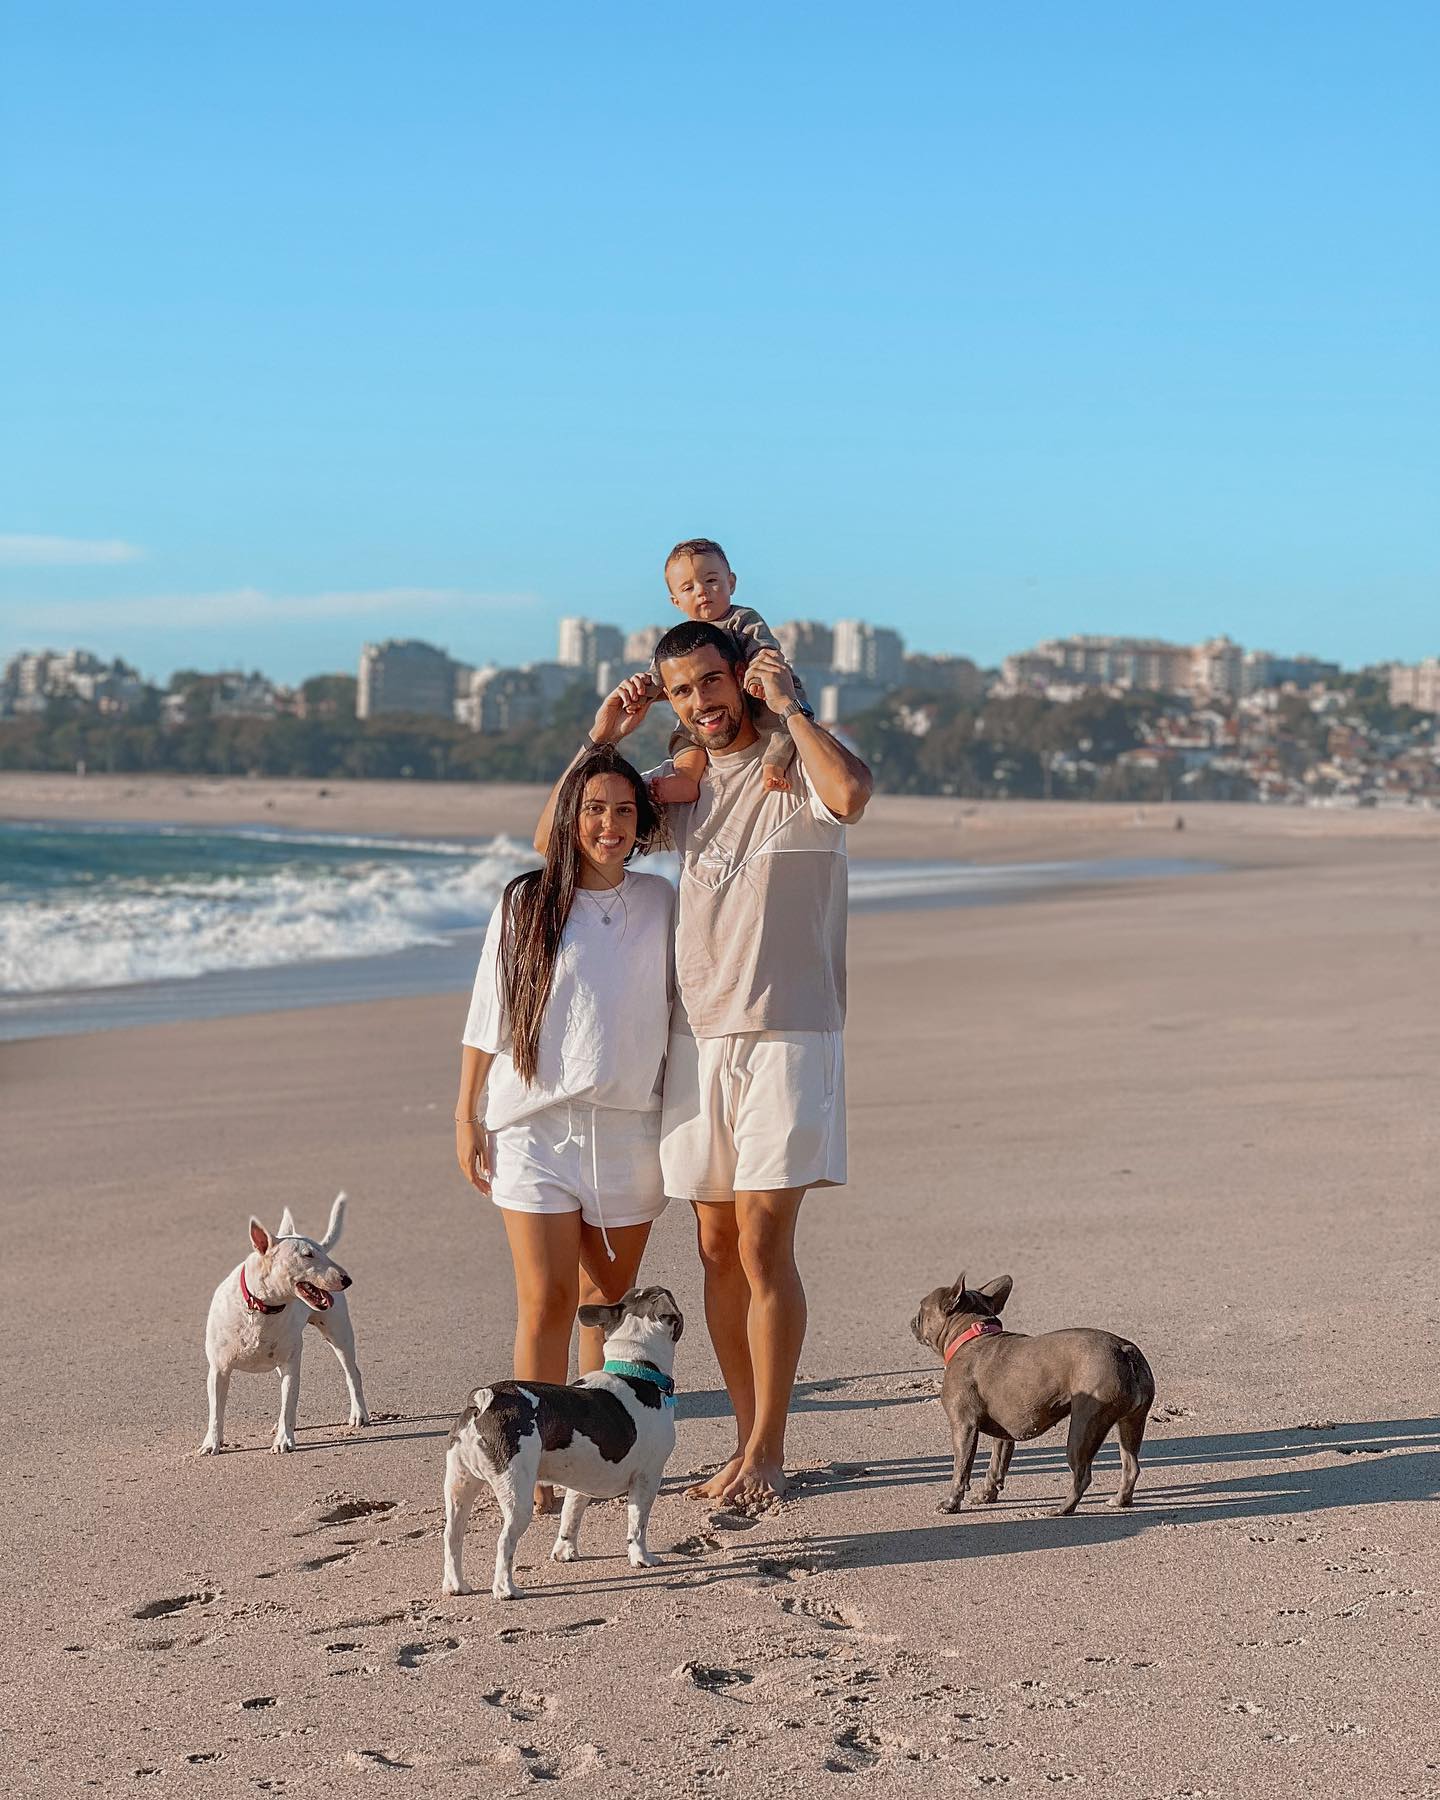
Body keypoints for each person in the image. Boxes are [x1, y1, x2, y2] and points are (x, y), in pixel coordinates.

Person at [535, 618, 873, 1512]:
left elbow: (852, 794)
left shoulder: (795, 763)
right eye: (681, 692)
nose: (699, 703)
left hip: (787, 1033)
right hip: (696, 1041)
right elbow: (559, 841)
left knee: (762, 1243)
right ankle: (744, 1440)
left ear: (742, 676)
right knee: (716, 1246)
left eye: (710, 683)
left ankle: (768, 1450)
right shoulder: (678, 790)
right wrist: (600, 740)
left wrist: (790, 708)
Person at [455, 745, 674, 1502]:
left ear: (642, 823)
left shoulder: (661, 902)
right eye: (593, 809)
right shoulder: (528, 901)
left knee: (605, 1306)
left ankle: (595, 1453)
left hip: (629, 1130)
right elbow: (487, 1012)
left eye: (624, 811)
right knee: (546, 1300)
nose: (609, 825)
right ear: (569, 817)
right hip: (533, 1130)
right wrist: (467, 1114)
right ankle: (534, 1459)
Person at [646, 538, 813, 800]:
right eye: (689, 588)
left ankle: (774, 765)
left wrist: (758, 677)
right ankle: (687, 778)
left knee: (778, 726)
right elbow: (660, 680)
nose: (702, 591)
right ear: (676, 601)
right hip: (714, 707)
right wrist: (640, 693)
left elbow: (764, 651)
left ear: (731, 583)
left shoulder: (742, 620)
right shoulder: (680, 641)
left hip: (762, 695)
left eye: (711, 580)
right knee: (686, 734)